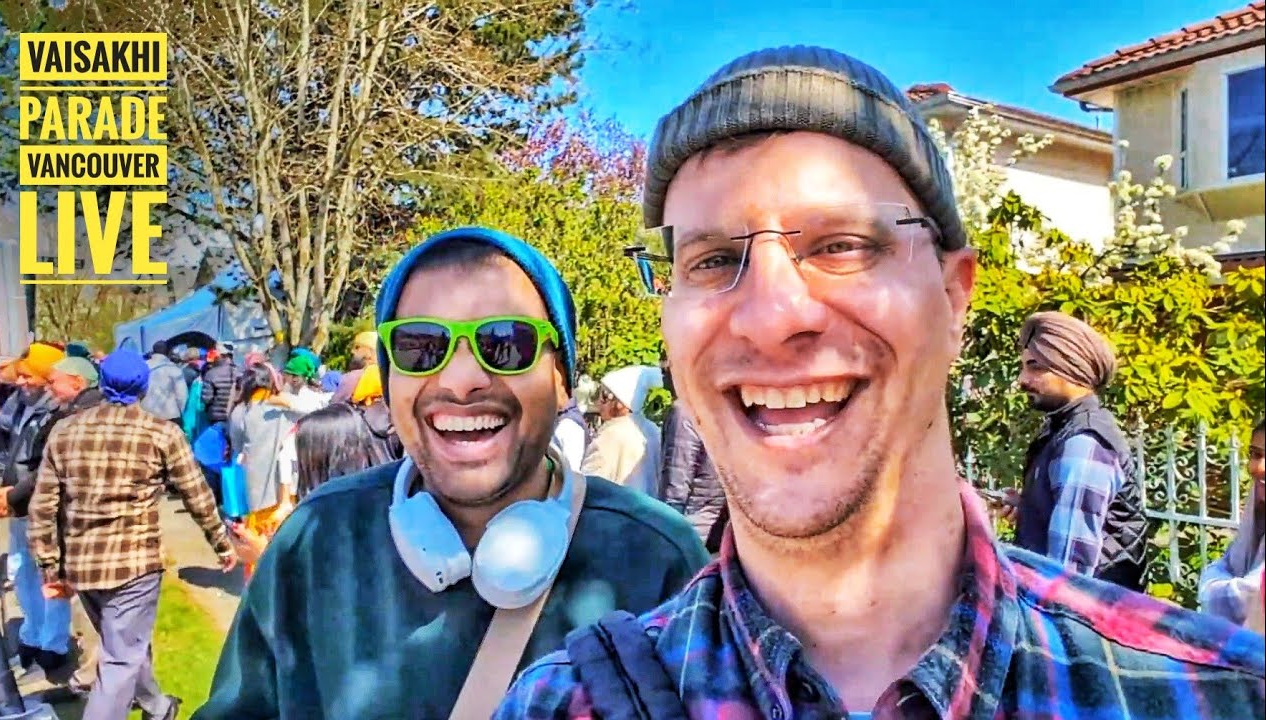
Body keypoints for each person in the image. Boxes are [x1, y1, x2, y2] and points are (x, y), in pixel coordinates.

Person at [496, 46, 1265, 719]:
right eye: (711, 259)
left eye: (841, 245)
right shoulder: (563, 704)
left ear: (954, 296)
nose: (772, 316)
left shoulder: (1205, 695)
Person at [196, 227, 708, 719]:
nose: (461, 381)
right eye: (420, 346)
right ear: (390, 381)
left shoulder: (658, 557)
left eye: (506, 343)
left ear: (561, 379)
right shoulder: (316, 539)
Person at [29, 348, 236, 720]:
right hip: (134, 565)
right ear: (143, 387)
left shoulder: (66, 430)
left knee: (122, 645)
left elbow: (43, 504)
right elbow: (197, 495)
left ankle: (158, 707)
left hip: (83, 563)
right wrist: (222, 543)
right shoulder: (161, 432)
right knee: (120, 657)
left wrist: (49, 564)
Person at [1002, 311, 1149, 591]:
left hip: (1084, 614)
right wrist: (1030, 508)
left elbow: (1068, 575)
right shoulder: (1062, 428)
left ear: (1071, 368)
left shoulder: (1083, 441)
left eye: (1035, 367)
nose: (1022, 380)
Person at [0, 342, 72, 672]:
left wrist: (12, 494)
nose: (21, 382)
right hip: (20, 504)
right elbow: (15, 452)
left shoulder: (59, 414)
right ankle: (32, 634)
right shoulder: (26, 405)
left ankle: (54, 644)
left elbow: (45, 470)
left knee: (49, 574)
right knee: (21, 571)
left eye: (28, 377)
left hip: (42, 505)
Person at [228, 403, 391, 566]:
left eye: (303, 462)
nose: (300, 472)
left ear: (327, 464)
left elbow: (327, 577)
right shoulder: (377, 506)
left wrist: (264, 555)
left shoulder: (350, 527)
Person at [227, 363, 295, 577]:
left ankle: (257, 587)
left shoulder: (241, 412)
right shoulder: (286, 407)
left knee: (255, 544)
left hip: (254, 491)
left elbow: (237, 448)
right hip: (286, 491)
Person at [1199, 419, 1265, 627]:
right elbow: (1226, 563)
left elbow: (1250, 596)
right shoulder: (1257, 511)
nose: (1259, 467)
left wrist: (1210, 585)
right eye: (1256, 454)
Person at [582, 365, 664, 496]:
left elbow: (588, 485)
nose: (598, 403)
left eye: (604, 396)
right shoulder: (653, 430)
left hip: (616, 508)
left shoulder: (610, 435)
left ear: (619, 403)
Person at [660, 399, 725, 548]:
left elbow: (675, 483)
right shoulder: (730, 411)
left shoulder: (685, 411)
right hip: (717, 532)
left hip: (689, 530)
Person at [141, 340, 189, 426]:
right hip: (169, 415)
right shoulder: (173, 368)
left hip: (146, 414)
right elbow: (182, 395)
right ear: (168, 352)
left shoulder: (142, 367)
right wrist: (180, 411)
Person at [330, 330, 380, 404]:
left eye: (357, 347)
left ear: (371, 351)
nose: (352, 351)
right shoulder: (390, 378)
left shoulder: (354, 377)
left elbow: (334, 404)